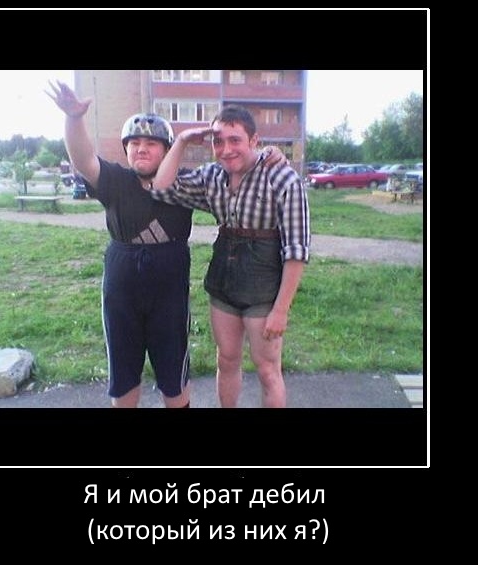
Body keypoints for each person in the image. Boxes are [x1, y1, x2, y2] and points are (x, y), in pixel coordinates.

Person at [46, 82, 287, 408]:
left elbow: (235, 170)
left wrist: (268, 154)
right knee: (123, 370)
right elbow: (83, 159)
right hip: (121, 289)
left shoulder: (184, 182)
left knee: (174, 371)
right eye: (134, 143)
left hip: (169, 292)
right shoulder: (115, 180)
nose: (141, 149)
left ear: (166, 149)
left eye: (151, 143)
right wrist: (74, 118)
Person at [151, 105, 310, 408]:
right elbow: (161, 188)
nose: (226, 149)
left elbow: (296, 251)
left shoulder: (282, 179)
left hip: (264, 290)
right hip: (223, 282)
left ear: (254, 140)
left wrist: (281, 310)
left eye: (235, 140)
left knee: (267, 370)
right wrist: (182, 141)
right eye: (218, 141)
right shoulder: (211, 176)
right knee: (226, 359)